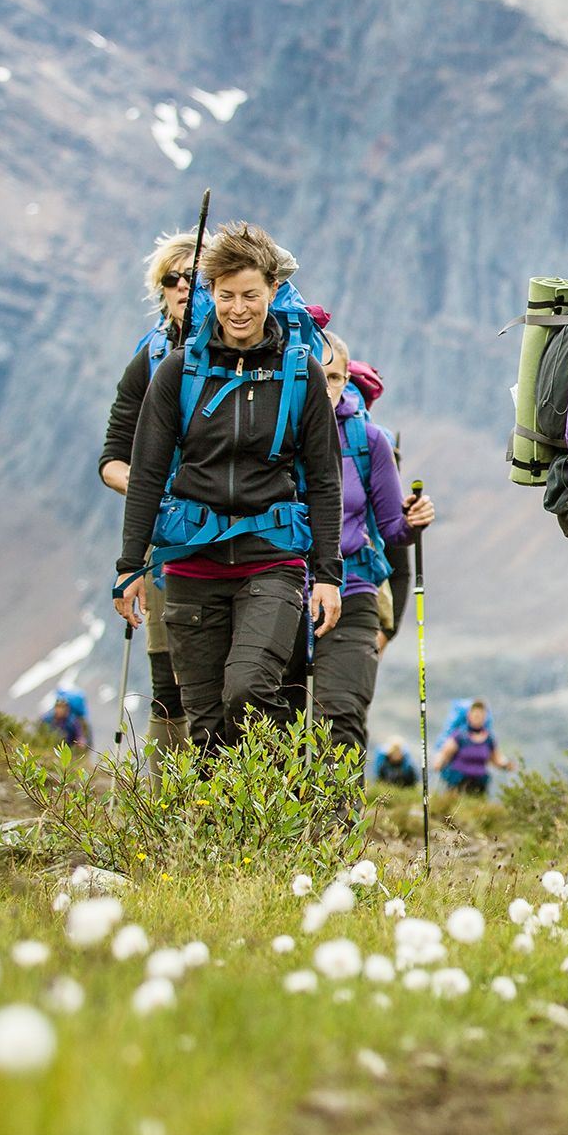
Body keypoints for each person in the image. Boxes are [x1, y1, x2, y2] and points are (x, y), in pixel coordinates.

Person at [111, 223, 343, 752]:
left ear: (271, 293)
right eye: (226, 295)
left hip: (272, 559)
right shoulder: (179, 371)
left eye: (251, 296)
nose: (239, 309)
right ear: (210, 294)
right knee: (206, 723)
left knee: (249, 691)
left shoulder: (300, 373)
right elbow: (146, 472)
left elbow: (326, 479)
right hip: (192, 563)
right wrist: (130, 567)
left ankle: (277, 808)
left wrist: (328, 574)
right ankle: (221, 835)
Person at [310, 330, 434, 751]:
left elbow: (394, 532)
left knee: (339, 718)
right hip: (280, 591)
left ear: (346, 380)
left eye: (334, 377)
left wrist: (414, 519)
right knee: (279, 726)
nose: (325, 385)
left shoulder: (370, 441)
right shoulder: (275, 433)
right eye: (315, 373)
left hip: (353, 592)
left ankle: (339, 820)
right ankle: (281, 819)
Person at [99, 234, 198, 748]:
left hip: (244, 537)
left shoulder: (256, 356)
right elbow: (113, 457)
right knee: (168, 686)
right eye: (171, 279)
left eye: (194, 276)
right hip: (167, 538)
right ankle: (165, 817)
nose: (183, 286)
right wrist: (153, 489)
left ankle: (233, 815)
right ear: (160, 291)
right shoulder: (150, 356)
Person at [435, 699, 514, 799]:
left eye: (481, 716)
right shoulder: (459, 736)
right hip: (458, 785)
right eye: (476, 715)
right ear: (469, 716)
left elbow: (496, 759)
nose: (478, 718)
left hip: (480, 786)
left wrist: (506, 764)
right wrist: (439, 762)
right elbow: (444, 754)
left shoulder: (489, 739)